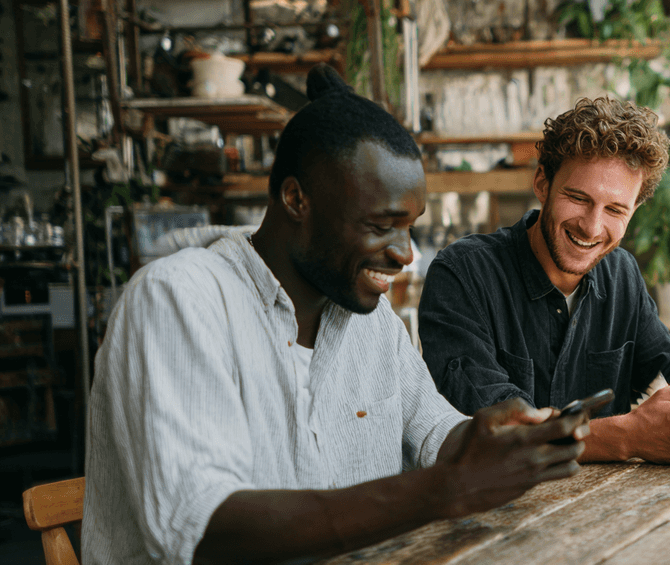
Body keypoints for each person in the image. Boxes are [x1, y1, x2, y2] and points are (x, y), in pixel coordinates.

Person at [84, 66, 589, 565]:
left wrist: (491, 438)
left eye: (409, 227)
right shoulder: (177, 300)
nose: (405, 253)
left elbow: (433, 430)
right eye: (380, 225)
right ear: (296, 199)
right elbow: (201, 530)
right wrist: (445, 490)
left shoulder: (368, 318)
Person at [419, 97, 670, 464]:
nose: (592, 227)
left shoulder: (621, 273)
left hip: (607, 509)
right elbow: (496, 430)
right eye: (578, 198)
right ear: (542, 183)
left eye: (615, 210)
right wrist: (629, 438)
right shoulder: (462, 275)